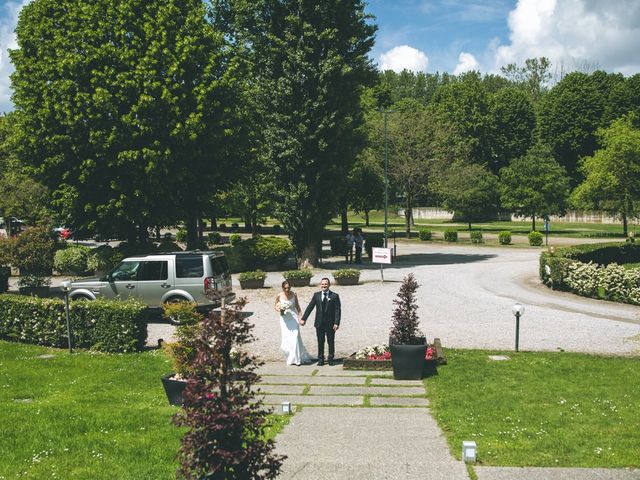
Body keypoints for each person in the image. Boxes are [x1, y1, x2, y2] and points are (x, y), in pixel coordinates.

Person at [301, 277, 341, 366]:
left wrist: (336, 323)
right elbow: (310, 307)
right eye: (322, 284)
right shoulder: (316, 295)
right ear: (320, 285)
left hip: (330, 323)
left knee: (330, 341)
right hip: (319, 323)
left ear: (329, 285)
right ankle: (321, 358)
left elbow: (337, 310)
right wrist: (304, 318)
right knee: (320, 341)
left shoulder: (334, 296)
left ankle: (330, 358)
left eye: (326, 284)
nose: (324, 286)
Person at [275, 281, 311, 366]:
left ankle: (297, 359)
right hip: (284, 319)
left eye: (289, 288)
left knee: (295, 336)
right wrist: (280, 309)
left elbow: (297, 306)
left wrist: (301, 317)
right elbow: (275, 306)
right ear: (282, 288)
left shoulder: (294, 294)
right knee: (287, 338)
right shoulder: (279, 295)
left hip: (293, 318)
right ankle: (291, 357)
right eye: (285, 288)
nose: (287, 290)